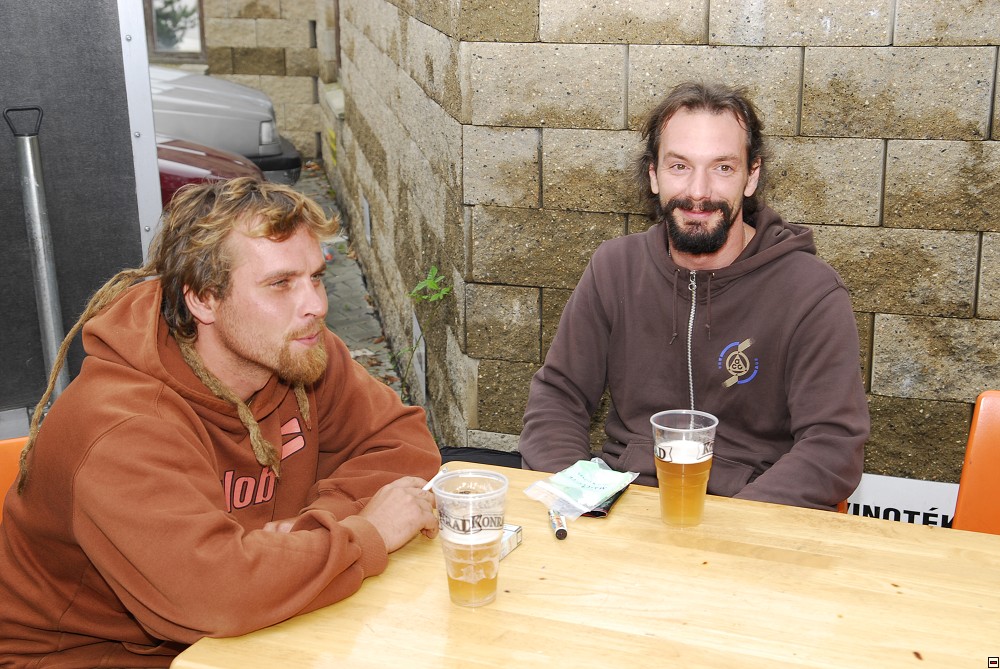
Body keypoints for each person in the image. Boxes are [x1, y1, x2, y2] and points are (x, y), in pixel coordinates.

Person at [0, 178, 441, 667]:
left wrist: (313, 528)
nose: (316, 305)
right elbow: (216, 596)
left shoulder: (295, 352)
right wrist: (368, 532)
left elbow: (403, 445)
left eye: (316, 276)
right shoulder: (121, 425)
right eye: (281, 284)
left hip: (244, 631)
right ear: (203, 299)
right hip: (90, 656)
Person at [519, 81, 869, 510]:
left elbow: (833, 445)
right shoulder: (614, 267)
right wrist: (577, 498)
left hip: (752, 512)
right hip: (627, 505)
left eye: (722, 167)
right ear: (654, 175)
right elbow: (558, 397)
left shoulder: (811, 291)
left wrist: (730, 525)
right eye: (679, 166)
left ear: (751, 176)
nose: (699, 192)